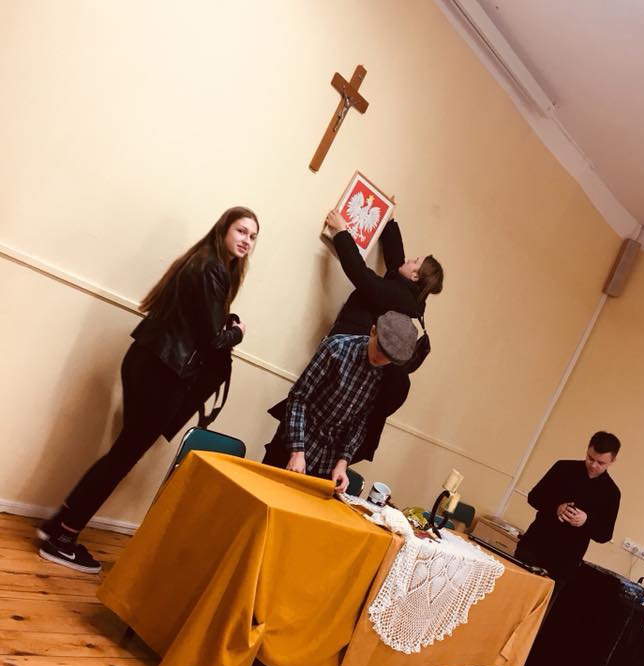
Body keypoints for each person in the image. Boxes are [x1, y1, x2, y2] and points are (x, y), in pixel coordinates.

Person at [37, 206, 260, 573]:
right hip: (164, 372)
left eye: (252, 236)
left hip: (148, 361)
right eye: (241, 231)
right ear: (223, 229)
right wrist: (237, 332)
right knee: (122, 457)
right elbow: (211, 342)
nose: (246, 240)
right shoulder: (212, 269)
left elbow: (196, 326)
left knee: (120, 453)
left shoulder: (202, 262)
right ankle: (63, 537)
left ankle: (58, 525)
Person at [324, 208, 444, 460]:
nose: (408, 259)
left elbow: (360, 274)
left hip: (346, 366)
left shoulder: (398, 297)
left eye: (414, 261)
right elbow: (396, 261)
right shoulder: (410, 296)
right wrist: (389, 220)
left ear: (415, 276)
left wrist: (341, 231)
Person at [263, 311, 417, 493]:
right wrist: (297, 452)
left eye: (388, 358)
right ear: (373, 331)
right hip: (295, 444)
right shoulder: (336, 348)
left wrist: (343, 463)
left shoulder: (387, 377)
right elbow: (299, 397)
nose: (381, 358)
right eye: (379, 349)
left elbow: (360, 422)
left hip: (327, 462)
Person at [515, 431, 622, 590]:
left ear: (612, 461)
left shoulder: (611, 493)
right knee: (511, 593)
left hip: (564, 562)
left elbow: (605, 534)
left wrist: (586, 521)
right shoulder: (563, 468)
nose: (593, 465)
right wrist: (556, 507)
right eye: (590, 458)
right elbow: (534, 497)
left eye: (601, 463)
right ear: (587, 450)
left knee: (541, 603)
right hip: (534, 545)